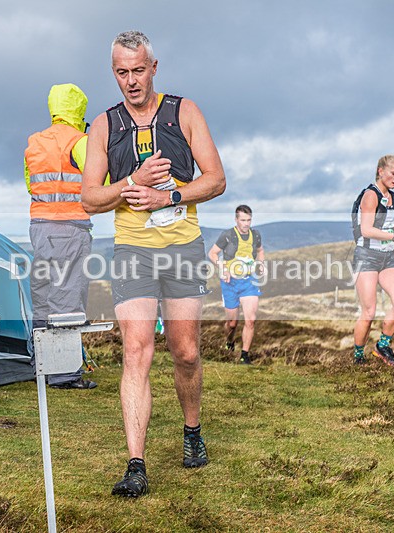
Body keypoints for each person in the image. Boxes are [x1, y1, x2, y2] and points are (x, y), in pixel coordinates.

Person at [81, 30, 225, 497]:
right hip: (133, 251)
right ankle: (136, 465)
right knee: (137, 351)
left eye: (138, 70)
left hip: (183, 248)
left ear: (154, 67)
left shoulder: (185, 111)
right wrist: (131, 182)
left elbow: (216, 179)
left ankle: (192, 431)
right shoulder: (103, 126)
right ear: (113, 73)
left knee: (186, 352)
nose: (131, 81)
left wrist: (168, 196)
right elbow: (89, 199)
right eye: (122, 72)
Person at [24, 83, 96, 390]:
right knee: (67, 296)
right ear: (79, 108)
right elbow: (99, 182)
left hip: (39, 227)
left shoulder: (34, 142)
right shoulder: (80, 142)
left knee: (43, 297)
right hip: (70, 228)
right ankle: (64, 374)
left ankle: (41, 366)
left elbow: (31, 185)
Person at [351, 155, 394, 366]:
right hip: (366, 256)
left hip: (388, 257)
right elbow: (366, 230)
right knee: (369, 312)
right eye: (393, 173)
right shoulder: (371, 195)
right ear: (381, 171)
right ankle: (358, 357)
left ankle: (382, 345)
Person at [208, 205, 264, 364]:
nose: (246, 224)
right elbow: (212, 253)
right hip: (230, 283)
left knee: (250, 320)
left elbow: (260, 250)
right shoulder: (227, 235)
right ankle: (229, 342)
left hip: (249, 282)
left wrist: (261, 264)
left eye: (249, 220)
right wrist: (223, 268)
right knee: (232, 324)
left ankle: (244, 356)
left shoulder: (256, 235)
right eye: (243, 220)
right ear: (236, 219)